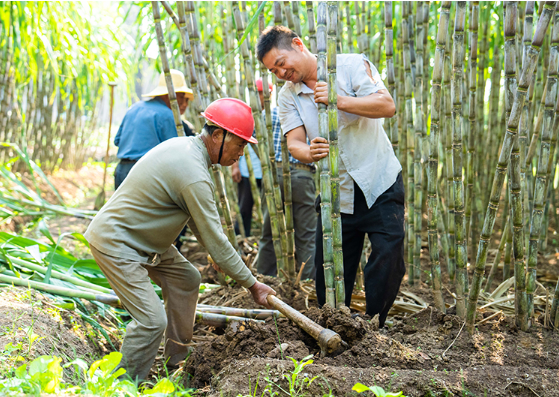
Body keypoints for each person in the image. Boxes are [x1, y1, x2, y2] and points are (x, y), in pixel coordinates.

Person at [84, 98, 276, 382]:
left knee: (186, 278)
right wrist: (252, 283)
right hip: (119, 244)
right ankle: (122, 385)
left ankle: (177, 361)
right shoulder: (193, 173)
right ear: (218, 135)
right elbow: (215, 237)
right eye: (240, 144)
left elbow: (202, 228)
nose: (241, 153)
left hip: (145, 243)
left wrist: (219, 255)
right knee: (151, 322)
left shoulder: (186, 149)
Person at [257, 26, 404, 327]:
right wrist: (309, 152)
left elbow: (387, 105)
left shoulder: (350, 65)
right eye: (273, 70)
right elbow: (294, 142)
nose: (280, 73)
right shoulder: (288, 97)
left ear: (298, 45)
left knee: (389, 255)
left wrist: (338, 101)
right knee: (330, 273)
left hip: (379, 181)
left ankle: (374, 326)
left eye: (281, 63)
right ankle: (336, 325)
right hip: (335, 189)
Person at [251, 79, 317, 281]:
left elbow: (251, 137)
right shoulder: (310, 112)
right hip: (302, 173)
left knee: (269, 232)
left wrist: (267, 161)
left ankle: (265, 279)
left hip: (274, 175)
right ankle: (308, 282)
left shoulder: (266, 115)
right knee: (306, 235)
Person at [113, 69, 195, 189]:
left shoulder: (134, 108)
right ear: (171, 95)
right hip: (145, 175)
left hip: (121, 172)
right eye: (182, 97)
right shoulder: (167, 115)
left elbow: (117, 140)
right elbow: (175, 153)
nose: (184, 103)